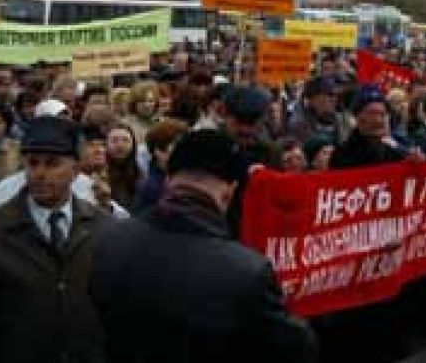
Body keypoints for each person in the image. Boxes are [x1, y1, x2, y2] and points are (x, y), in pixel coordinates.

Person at [89, 129, 317, 363]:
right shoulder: (247, 272)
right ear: (230, 191)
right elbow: (296, 349)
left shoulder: (109, 240)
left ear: (169, 180)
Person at [0, 115, 113, 363]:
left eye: (52, 163)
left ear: (75, 169)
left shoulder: (104, 228)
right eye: (33, 163)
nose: (40, 173)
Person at [105, 123, 141, 210]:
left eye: (126, 140)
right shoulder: (100, 173)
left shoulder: (139, 173)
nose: (120, 145)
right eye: (114, 140)